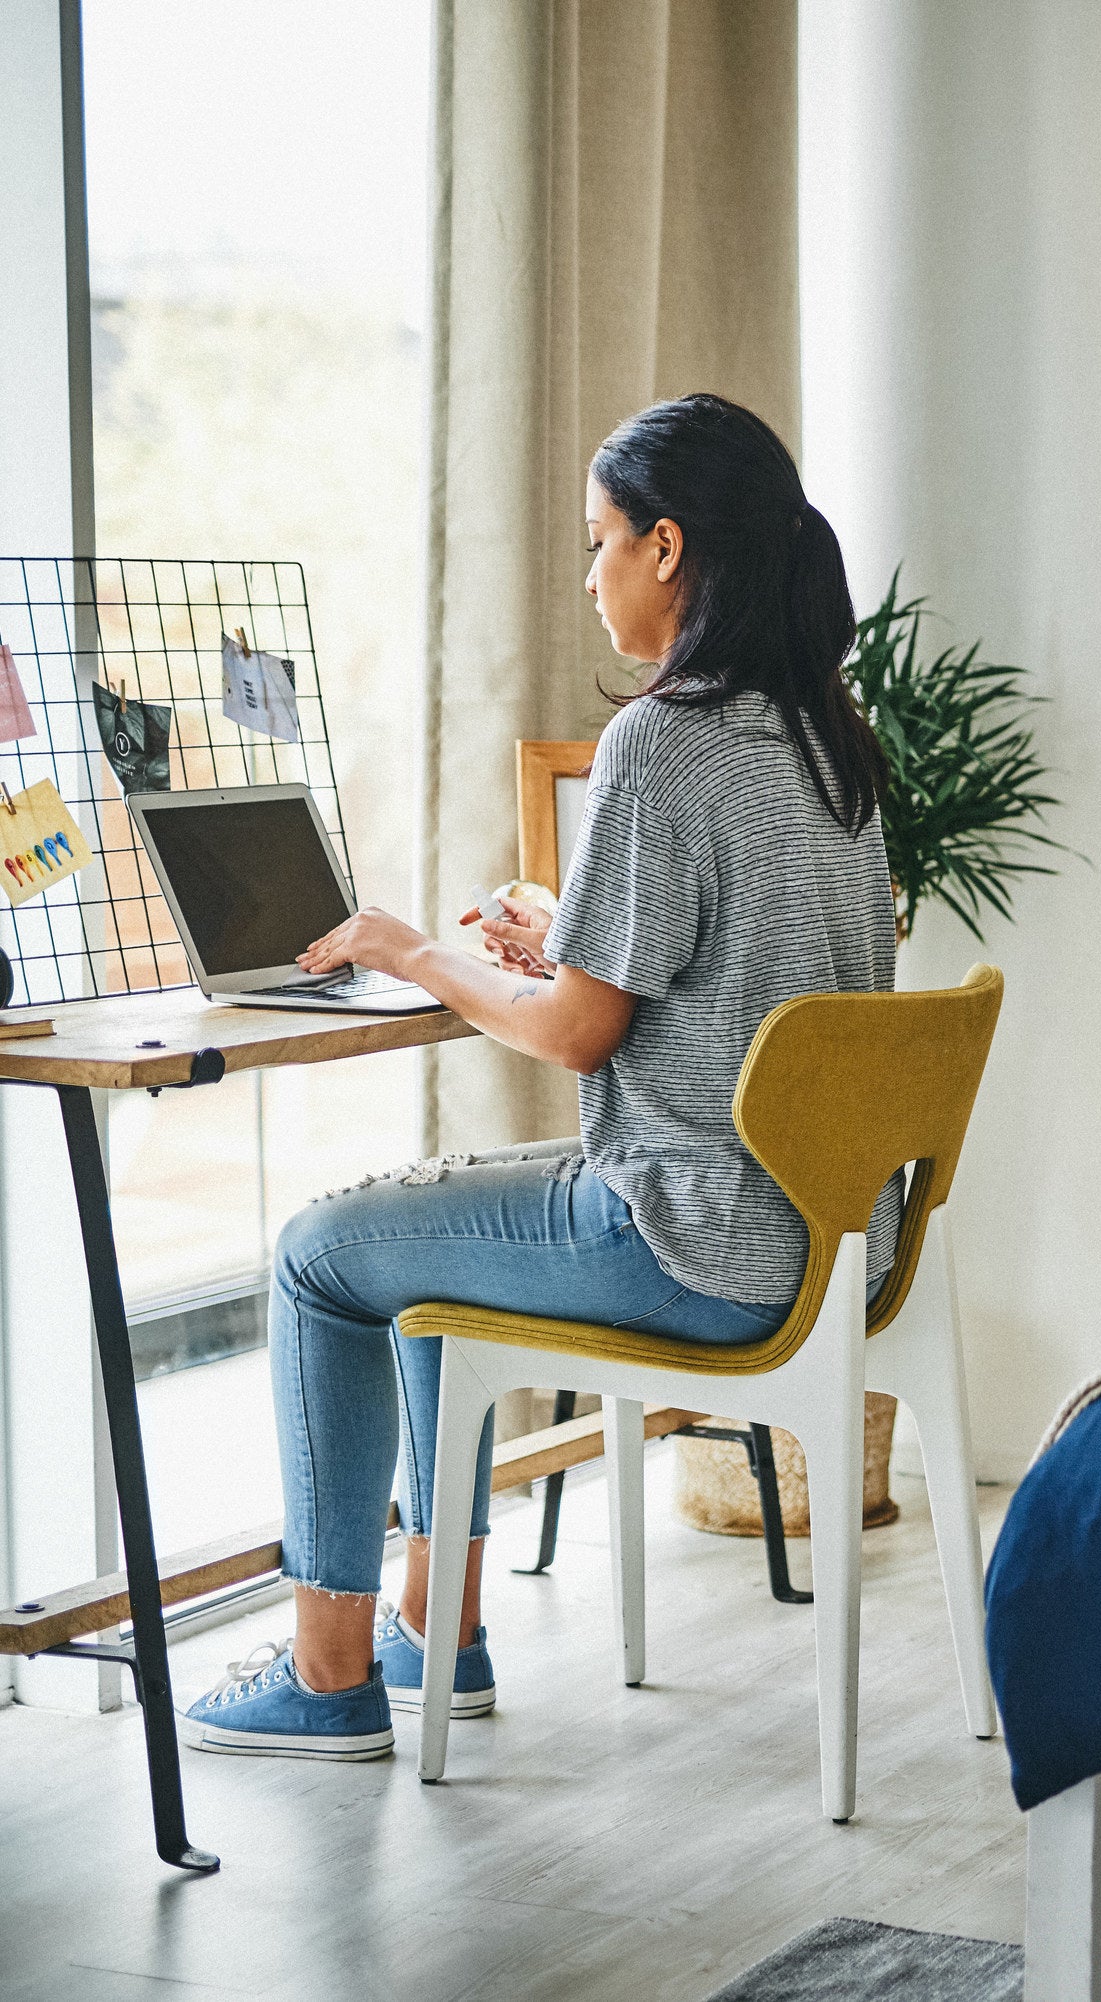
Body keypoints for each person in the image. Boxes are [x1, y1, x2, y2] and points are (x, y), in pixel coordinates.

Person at [180, 394, 900, 1759]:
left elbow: (577, 1035)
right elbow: (739, 967)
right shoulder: (825, 741)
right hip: (821, 1235)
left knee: (319, 1256)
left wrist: (417, 949)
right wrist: (565, 932)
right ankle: (434, 1634)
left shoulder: (665, 737)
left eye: (599, 544)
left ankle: (327, 1674)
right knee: (427, 1266)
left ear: (669, 548)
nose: (590, 576)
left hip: (684, 1233)